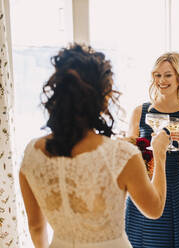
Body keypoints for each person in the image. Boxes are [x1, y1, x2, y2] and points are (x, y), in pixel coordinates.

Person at [19, 44, 170, 248]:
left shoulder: (32, 152)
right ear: (104, 97)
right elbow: (155, 209)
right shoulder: (121, 155)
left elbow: (36, 226)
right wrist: (159, 154)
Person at [125, 52, 179, 247]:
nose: (162, 80)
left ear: (178, 77)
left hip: (175, 193)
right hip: (143, 191)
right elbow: (127, 159)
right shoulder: (139, 112)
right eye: (157, 75)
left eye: (168, 75)